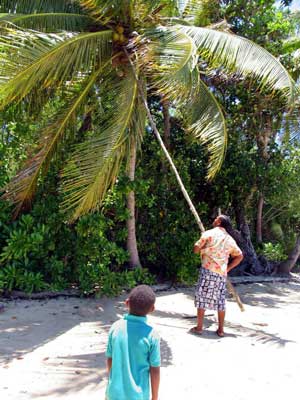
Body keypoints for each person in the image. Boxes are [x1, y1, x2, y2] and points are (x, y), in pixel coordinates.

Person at [191, 215, 243, 337]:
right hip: (221, 274)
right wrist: (228, 268)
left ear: (219, 222)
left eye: (215, 219)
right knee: (220, 301)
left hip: (207, 270)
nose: (213, 220)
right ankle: (220, 330)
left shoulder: (209, 234)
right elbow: (240, 256)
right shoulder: (229, 239)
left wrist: (204, 247)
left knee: (202, 298)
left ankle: (199, 328)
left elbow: (196, 249)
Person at [106, 284, 161, 400]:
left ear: (127, 303)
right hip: (139, 396)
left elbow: (110, 359)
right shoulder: (152, 335)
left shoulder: (115, 328)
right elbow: (155, 369)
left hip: (114, 393)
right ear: (152, 309)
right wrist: (155, 397)